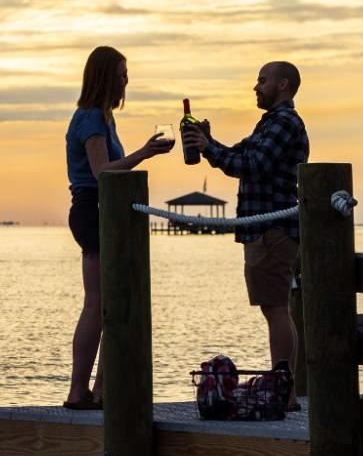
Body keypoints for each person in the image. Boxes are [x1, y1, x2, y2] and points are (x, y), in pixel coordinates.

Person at [181, 61, 309, 408]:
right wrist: (210, 142)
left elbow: (250, 166)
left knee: (276, 308)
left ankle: (286, 392)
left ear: (283, 85)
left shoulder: (284, 123)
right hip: (264, 230)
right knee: (275, 308)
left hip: (272, 230)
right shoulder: (271, 124)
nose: (256, 86)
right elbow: (240, 153)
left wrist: (208, 148)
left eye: (262, 80)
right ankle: (287, 390)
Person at [65, 46, 173, 409]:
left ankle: (98, 390)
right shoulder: (92, 118)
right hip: (93, 211)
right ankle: (80, 391)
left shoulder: (104, 118)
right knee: (98, 303)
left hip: (102, 212)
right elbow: (101, 172)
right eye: (122, 73)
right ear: (106, 76)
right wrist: (143, 153)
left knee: (108, 302)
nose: (127, 80)